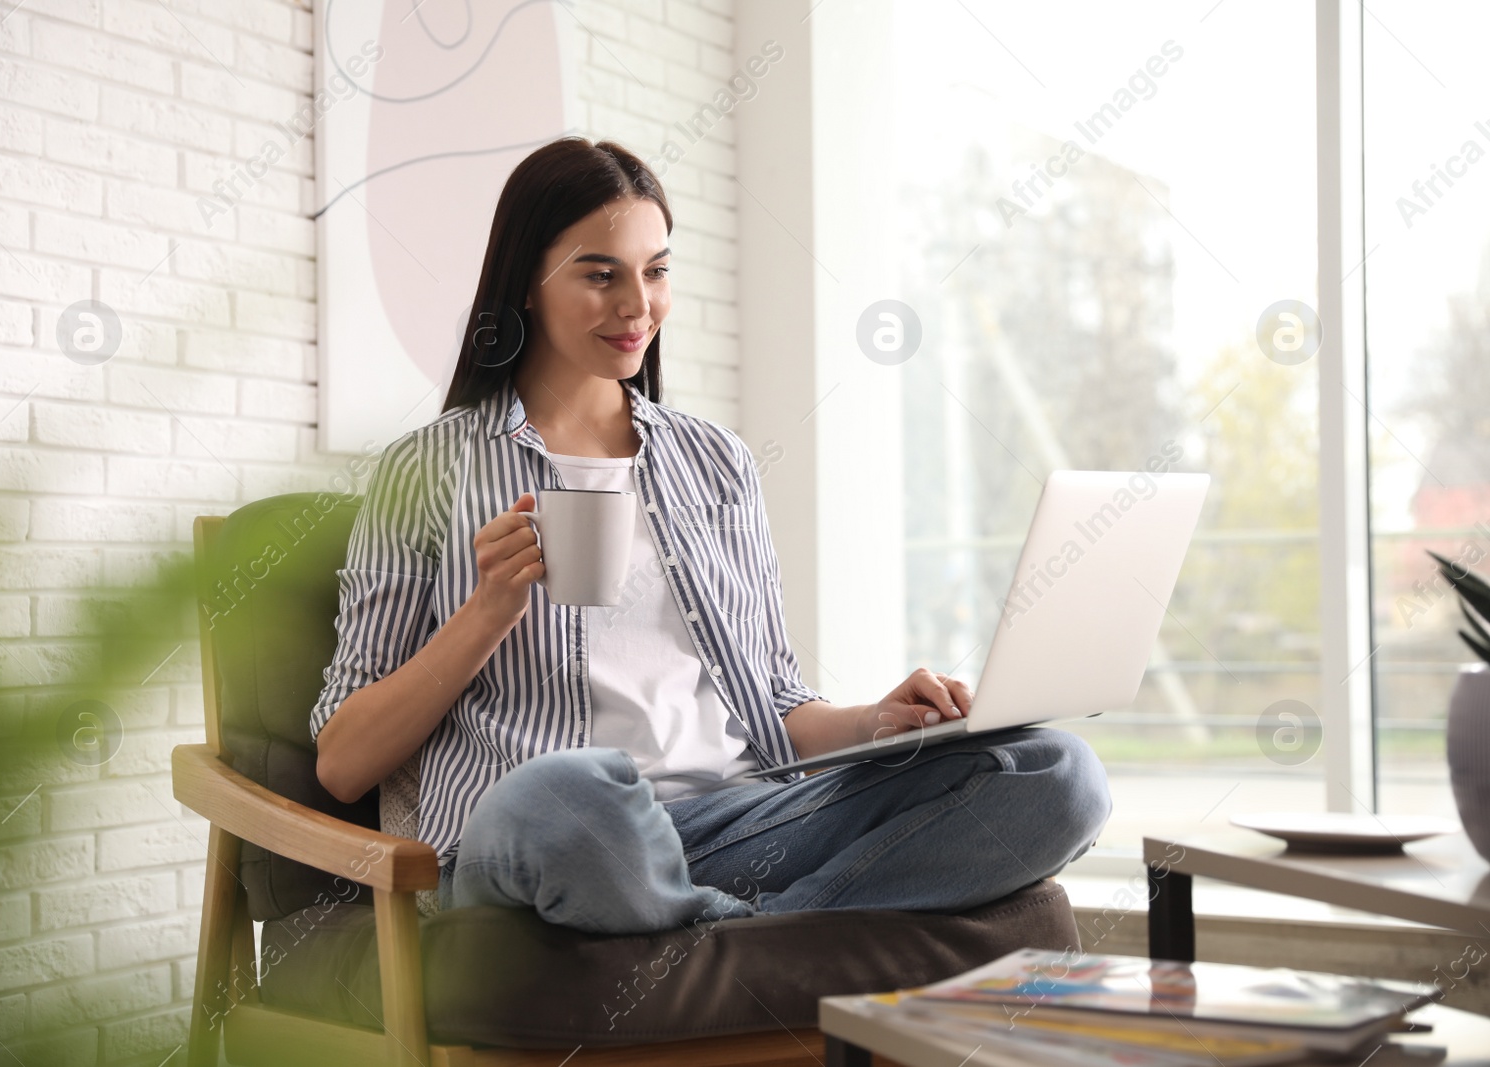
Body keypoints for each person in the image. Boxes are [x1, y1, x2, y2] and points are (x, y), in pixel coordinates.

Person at [309, 136, 1111, 935]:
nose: (637, 306)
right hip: (553, 835)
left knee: (1056, 772)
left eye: (656, 271)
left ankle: (731, 931)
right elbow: (343, 763)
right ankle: (757, 929)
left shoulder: (717, 462)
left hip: (738, 825)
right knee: (569, 790)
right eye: (600, 274)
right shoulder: (427, 471)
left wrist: (878, 721)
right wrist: (486, 612)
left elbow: (774, 701)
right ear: (526, 281)